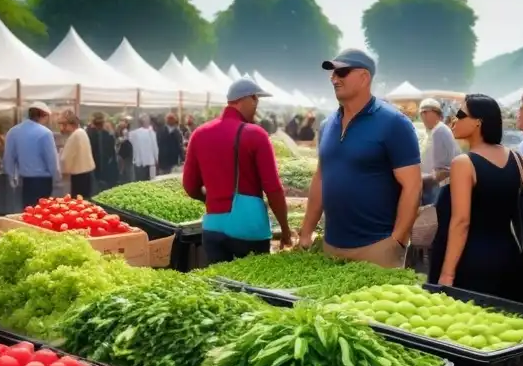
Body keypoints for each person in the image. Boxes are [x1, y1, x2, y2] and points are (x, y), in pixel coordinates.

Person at [299, 49, 421, 268]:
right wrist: (307, 231)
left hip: (377, 248)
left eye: (342, 72)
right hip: (331, 247)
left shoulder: (394, 123)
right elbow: (321, 178)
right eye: (332, 73)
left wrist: (397, 241)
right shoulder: (327, 125)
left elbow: (412, 185)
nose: (334, 78)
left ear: (364, 77)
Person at [429, 94, 523, 302]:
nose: (454, 119)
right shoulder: (518, 159)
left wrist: (447, 273)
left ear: (478, 122)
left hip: (470, 261)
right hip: (510, 255)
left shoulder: (464, 163)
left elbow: (461, 222)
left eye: (460, 114)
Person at [184, 78, 292, 263]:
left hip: (213, 227)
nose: (257, 105)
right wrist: (285, 229)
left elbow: (190, 186)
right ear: (247, 99)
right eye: (256, 99)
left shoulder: (199, 134)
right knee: (253, 288)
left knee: (220, 289)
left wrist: (215, 199)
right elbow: (273, 188)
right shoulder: (255, 135)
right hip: (248, 226)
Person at [3, 104, 59, 208]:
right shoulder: (45, 133)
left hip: (23, 181)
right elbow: (51, 160)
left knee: (27, 211)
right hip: (43, 181)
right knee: (42, 213)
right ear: (44, 116)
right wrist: (56, 178)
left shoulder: (13, 132)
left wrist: (12, 177)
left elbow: (9, 158)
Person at [418, 98, 459, 206]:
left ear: (437, 114)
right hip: (429, 185)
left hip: (437, 187)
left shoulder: (440, 131)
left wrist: (419, 178)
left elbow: (444, 171)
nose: (423, 116)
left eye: (426, 112)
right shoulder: (430, 132)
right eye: (421, 113)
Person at [58, 110, 96, 198]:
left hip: (79, 176)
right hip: (87, 173)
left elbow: (65, 159)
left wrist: (63, 172)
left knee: (78, 201)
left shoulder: (75, 135)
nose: (61, 128)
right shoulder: (82, 132)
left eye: (63, 125)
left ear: (68, 124)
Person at [87, 113, 118, 192]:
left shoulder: (88, 134)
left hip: (92, 169)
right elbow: (112, 154)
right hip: (106, 170)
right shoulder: (108, 135)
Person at [128, 115, 158, 182]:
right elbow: (155, 148)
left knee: (140, 181)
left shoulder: (134, 133)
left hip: (139, 161)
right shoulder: (152, 133)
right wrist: (156, 158)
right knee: (151, 181)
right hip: (150, 161)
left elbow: (129, 138)